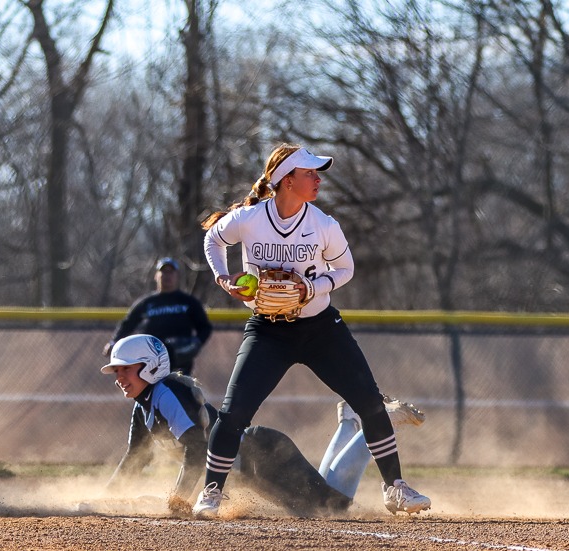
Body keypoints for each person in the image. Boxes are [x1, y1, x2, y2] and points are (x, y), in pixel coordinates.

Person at [195, 144, 432, 518]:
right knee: (234, 411)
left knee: (369, 402)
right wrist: (222, 277)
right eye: (310, 173)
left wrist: (312, 287)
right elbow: (213, 239)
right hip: (268, 330)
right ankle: (211, 491)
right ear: (286, 180)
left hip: (320, 328)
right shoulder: (250, 218)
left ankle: (395, 488)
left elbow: (345, 269)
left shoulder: (323, 224)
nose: (318, 179)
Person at [99, 335, 425, 516]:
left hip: (261, 456)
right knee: (323, 497)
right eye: (117, 372)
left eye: (126, 369)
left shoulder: (167, 392)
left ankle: (385, 420)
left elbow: (198, 450)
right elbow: (134, 458)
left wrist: (181, 499)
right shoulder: (144, 406)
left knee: (332, 508)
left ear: (152, 366)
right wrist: (107, 497)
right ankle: (349, 425)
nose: (120, 378)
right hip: (253, 470)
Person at [103, 257, 213, 374]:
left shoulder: (188, 302)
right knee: (152, 391)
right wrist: (114, 342)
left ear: (177, 276)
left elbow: (205, 327)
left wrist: (196, 343)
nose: (167, 275)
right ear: (156, 276)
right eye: (163, 272)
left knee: (179, 390)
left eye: (171, 272)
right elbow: (128, 324)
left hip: (180, 360)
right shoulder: (147, 302)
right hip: (151, 360)